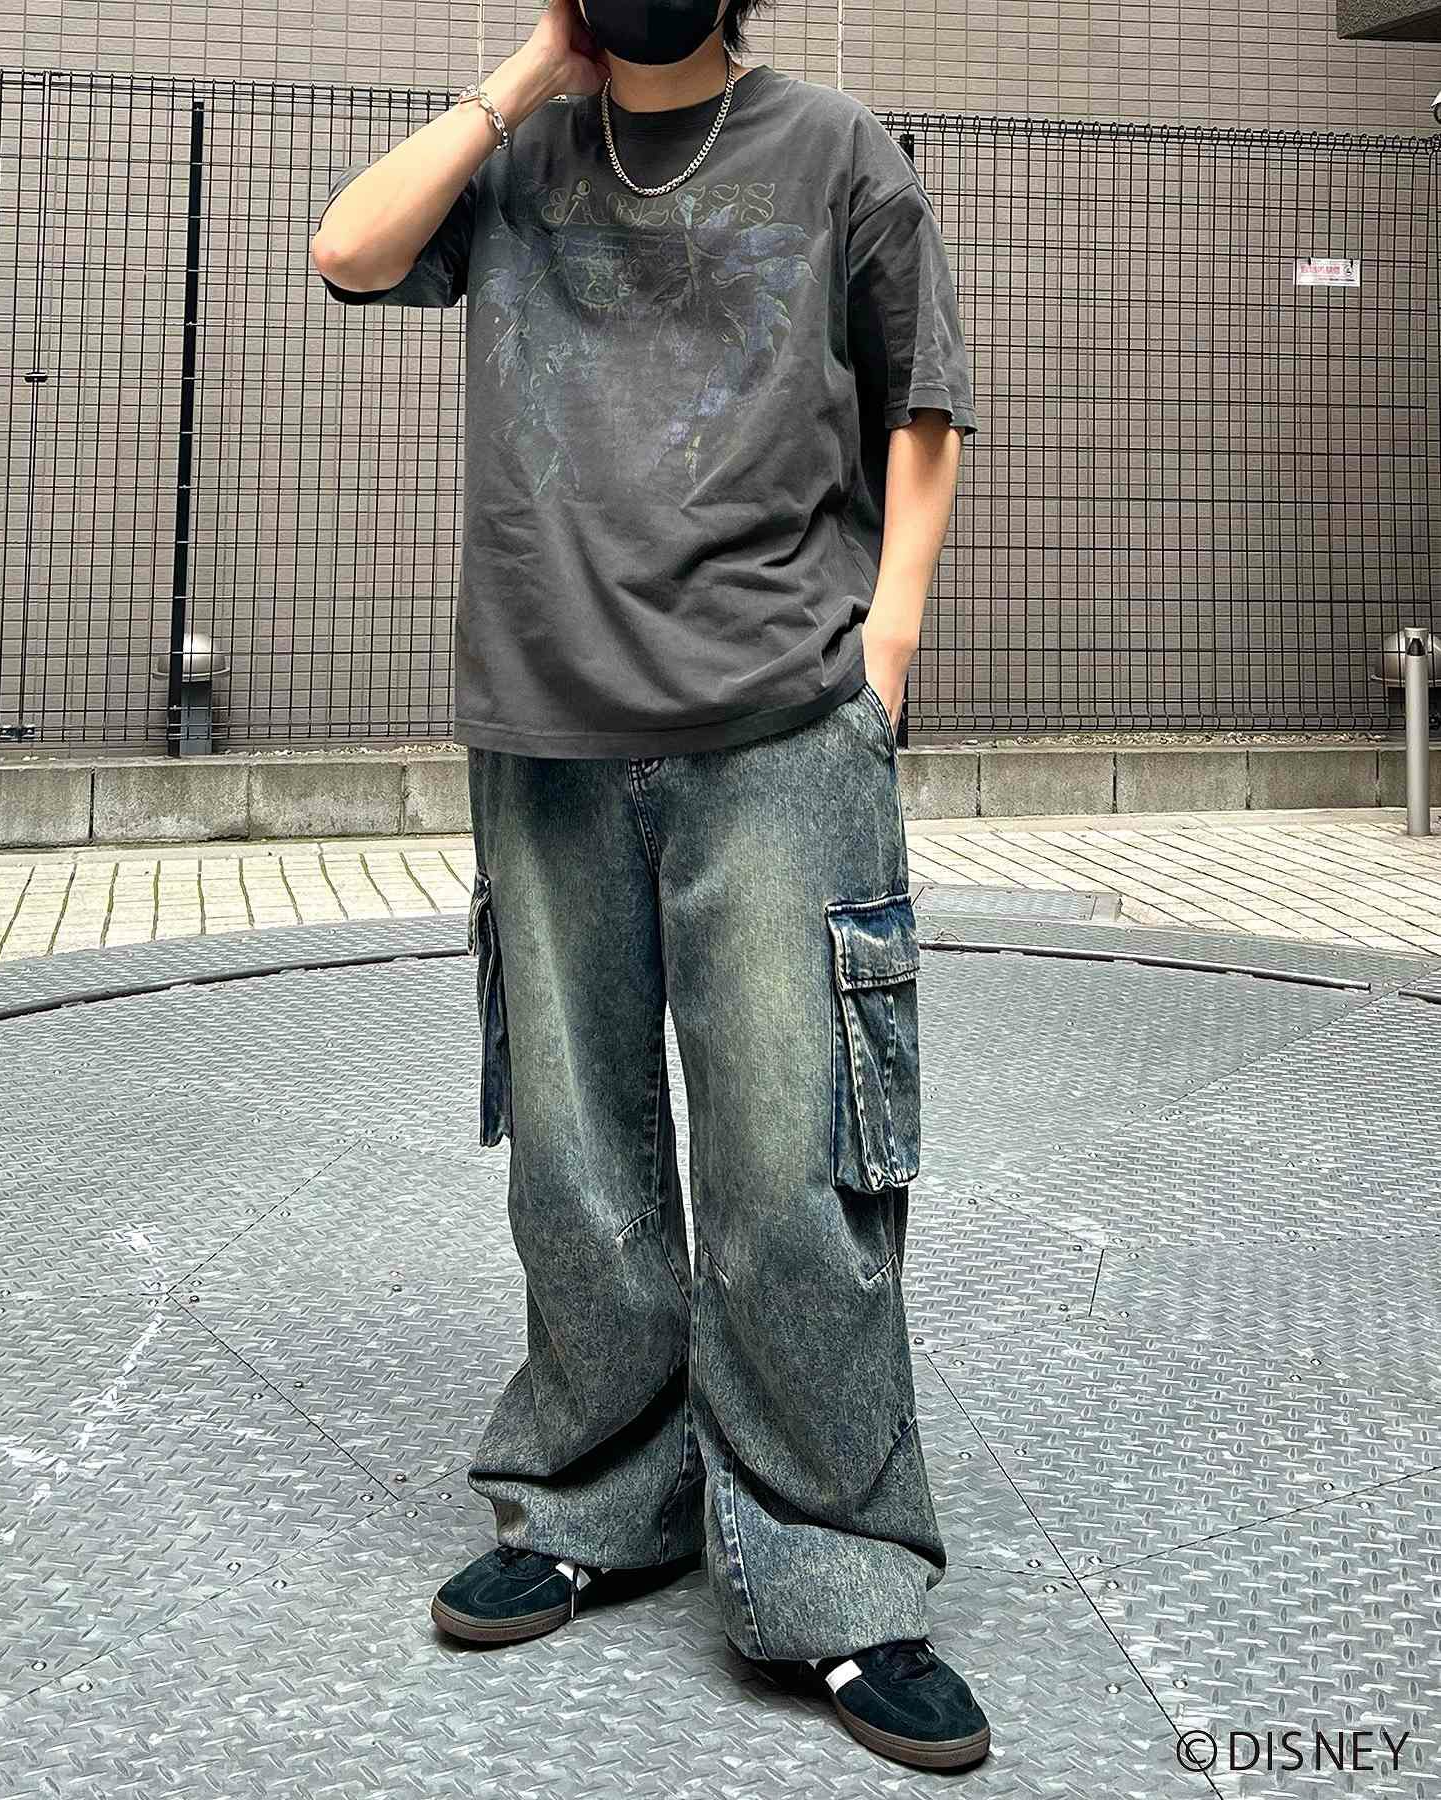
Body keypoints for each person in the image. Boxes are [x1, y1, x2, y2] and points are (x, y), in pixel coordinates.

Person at [311, 0, 987, 1773]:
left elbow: (922, 402)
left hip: (779, 727)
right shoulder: (521, 152)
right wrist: (528, 73)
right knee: (577, 1150)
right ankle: (594, 1503)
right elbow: (348, 249)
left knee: (793, 1165)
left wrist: (886, 654)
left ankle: (835, 1575)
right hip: (545, 733)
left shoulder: (835, 149)